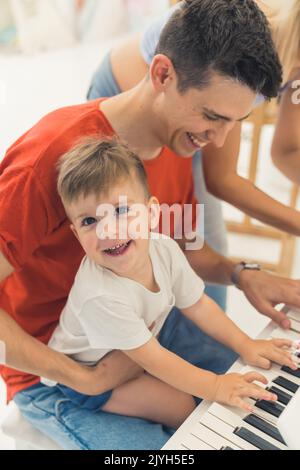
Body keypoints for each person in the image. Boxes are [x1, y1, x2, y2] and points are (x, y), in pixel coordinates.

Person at [1, 0, 299, 450]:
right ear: (162, 74)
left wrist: (244, 275)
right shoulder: (48, 157)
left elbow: (185, 249)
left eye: (233, 125)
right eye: (212, 117)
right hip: (57, 368)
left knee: (268, 390)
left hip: (148, 327)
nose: (216, 141)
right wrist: (82, 377)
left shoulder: (175, 145)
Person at [43, 137, 297, 429]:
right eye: (89, 221)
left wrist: (246, 343)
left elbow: (198, 304)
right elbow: (153, 359)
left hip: (139, 341)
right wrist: (215, 386)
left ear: (151, 212)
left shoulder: (163, 248)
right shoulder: (99, 294)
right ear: (76, 234)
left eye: (122, 210)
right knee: (180, 406)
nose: (108, 229)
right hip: (87, 371)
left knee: (210, 369)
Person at [87, 0, 300, 312]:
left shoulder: (289, 67)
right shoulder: (243, 38)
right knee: (150, 251)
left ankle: (207, 353)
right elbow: (222, 179)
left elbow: (287, 150)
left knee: (197, 247)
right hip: (138, 106)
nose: (223, 134)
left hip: (193, 121)